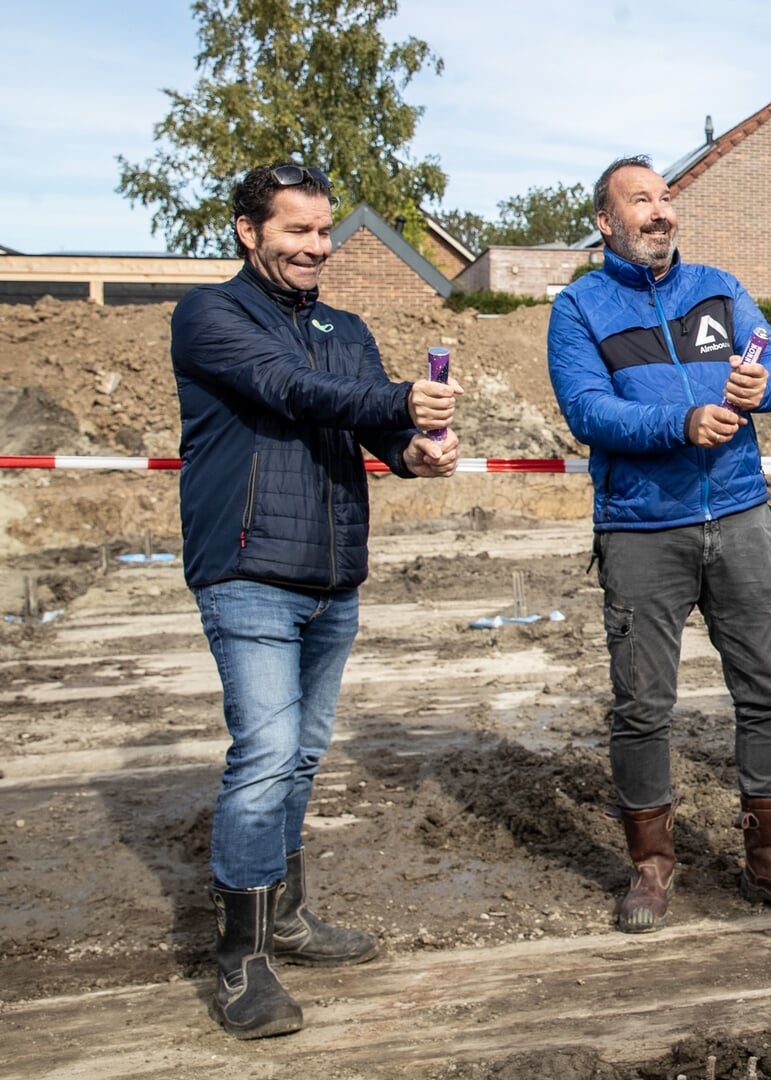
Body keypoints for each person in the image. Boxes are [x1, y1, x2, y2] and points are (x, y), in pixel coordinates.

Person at [172, 162, 463, 1039]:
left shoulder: (346, 328)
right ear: (247, 231)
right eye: (296, 229)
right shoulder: (211, 316)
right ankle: (243, 960)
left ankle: (288, 917)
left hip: (333, 576)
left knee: (299, 757)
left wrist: (415, 451)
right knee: (264, 756)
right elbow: (291, 390)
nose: (316, 246)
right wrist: (398, 396)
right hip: (249, 569)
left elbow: (374, 427)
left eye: (323, 229)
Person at [547, 155, 771, 934]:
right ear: (606, 222)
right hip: (641, 529)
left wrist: (763, 386)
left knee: (767, 691)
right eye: (641, 200)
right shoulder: (579, 308)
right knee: (642, 705)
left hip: (740, 515)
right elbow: (587, 410)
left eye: (666, 197)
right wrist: (680, 423)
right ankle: (651, 867)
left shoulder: (718, 287)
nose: (661, 211)